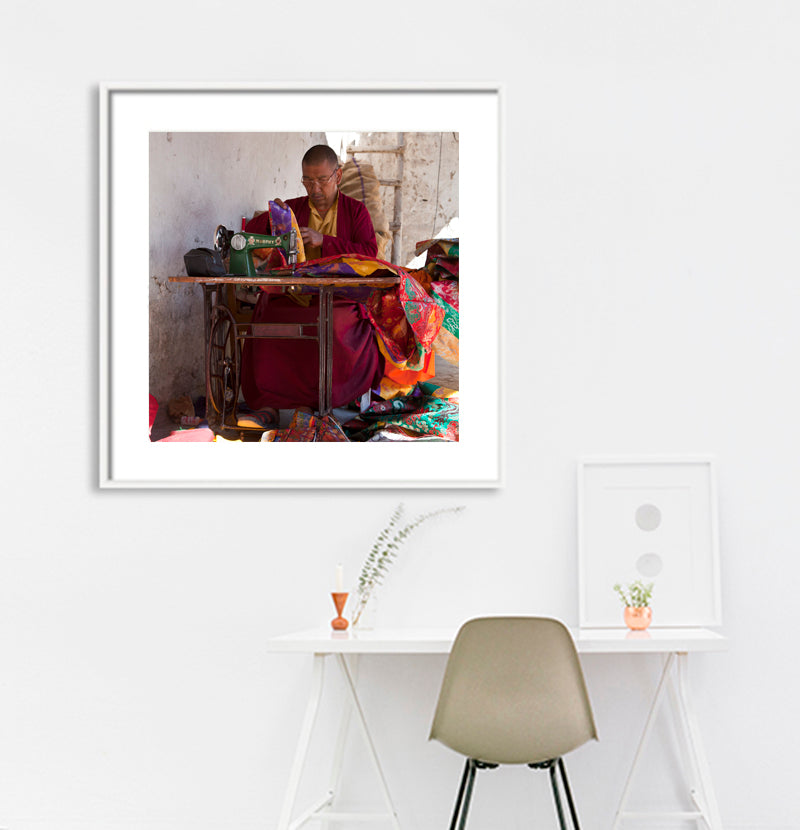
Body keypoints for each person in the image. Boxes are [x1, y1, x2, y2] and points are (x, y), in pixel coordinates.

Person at [240, 145, 383, 419]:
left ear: (337, 176)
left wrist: (324, 241)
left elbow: (369, 253)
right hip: (295, 293)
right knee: (268, 314)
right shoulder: (294, 208)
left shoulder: (356, 211)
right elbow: (251, 232)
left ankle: (313, 403)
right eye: (307, 180)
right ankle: (269, 406)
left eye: (321, 180)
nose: (314, 188)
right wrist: (273, 216)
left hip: (340, 296)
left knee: (334, 324)